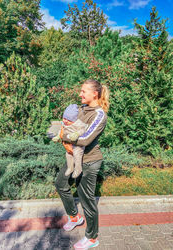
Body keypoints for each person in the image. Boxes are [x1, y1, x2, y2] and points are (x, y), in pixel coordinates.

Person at [55, 79, 110, 250]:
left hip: (89, 161)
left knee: (87, 201)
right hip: (73, 156)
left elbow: (85, 139)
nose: (80, 94)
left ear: (95, 93)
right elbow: (69, 125)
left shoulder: (99, 114)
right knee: (61, 184)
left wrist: (63, 137)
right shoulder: (81, 109)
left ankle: (92, 238)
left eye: (83, 91)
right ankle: (74, 217)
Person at [52, 104, 88, 178]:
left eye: (68, 120)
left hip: (77, 145)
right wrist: (58, 136)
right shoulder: (64, 124)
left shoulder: (78, 124)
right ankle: (70, 168)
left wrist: (77, 134)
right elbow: (61, 130)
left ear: (74, 120)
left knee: (77, 155)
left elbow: (83, 129)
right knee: (68, 155)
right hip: (68, 145)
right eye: (64, 118)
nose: (65, 121)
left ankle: (78, 169)